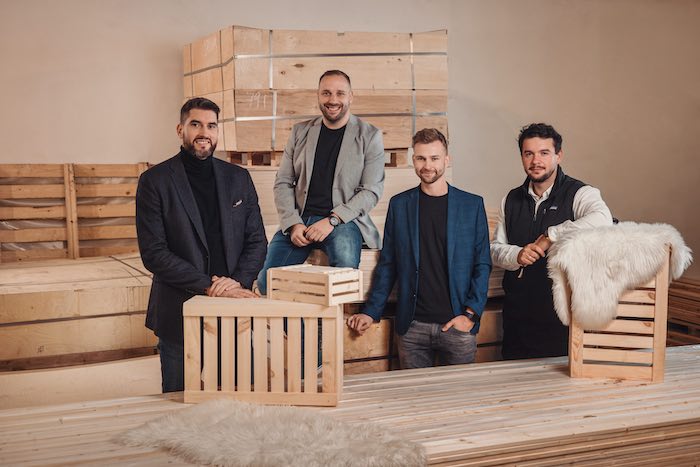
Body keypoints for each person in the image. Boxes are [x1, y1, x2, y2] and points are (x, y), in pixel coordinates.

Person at [136, 97, 267, 392]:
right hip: (179, 311)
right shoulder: (154, 181)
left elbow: (257, 241)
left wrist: (236, 283)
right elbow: (154, 253)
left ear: (218, 131)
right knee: (180, 399)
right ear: (180, 129)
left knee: (238, 401)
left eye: (211, 125)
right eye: (195, 124)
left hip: (232, 308)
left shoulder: (238, 178)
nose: (204, 132)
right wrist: (209, 285)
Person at [348, 128, 491, 368]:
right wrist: (371, 311)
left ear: (446, 160)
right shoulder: (400, 205)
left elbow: (482, 264)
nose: (427, 165)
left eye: (434, 158)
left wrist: (470, 316)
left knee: (460, 392)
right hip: (412, 328)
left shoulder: (471, 205)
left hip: (457, 327)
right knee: (411, 392)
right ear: (413, 159)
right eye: (421, 158)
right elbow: (388, 264)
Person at [491, 123, 613, 360]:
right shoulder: (511, 199)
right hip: (518, 317)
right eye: (529, 153)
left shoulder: (580, 193)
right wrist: (517, 255)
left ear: (559, 155)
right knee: (515, 380)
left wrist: (550, 236)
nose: (536, 161)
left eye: (544, 153)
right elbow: (495, 249)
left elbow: (603, 219)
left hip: (562, 319)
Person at [256, 70, 385, 294]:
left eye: (340, 93)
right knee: (267, 284)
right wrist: (293, 223)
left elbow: (371, 191)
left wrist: (333, 220)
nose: (333, 100)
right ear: (318, 95)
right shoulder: (300, 132)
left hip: (343, 221)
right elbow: (283, 182)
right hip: (301, 219)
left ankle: (328, 318)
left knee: (343, 279)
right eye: (326, 93)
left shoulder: (370, 135)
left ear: (351, 96)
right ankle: (304, 320)